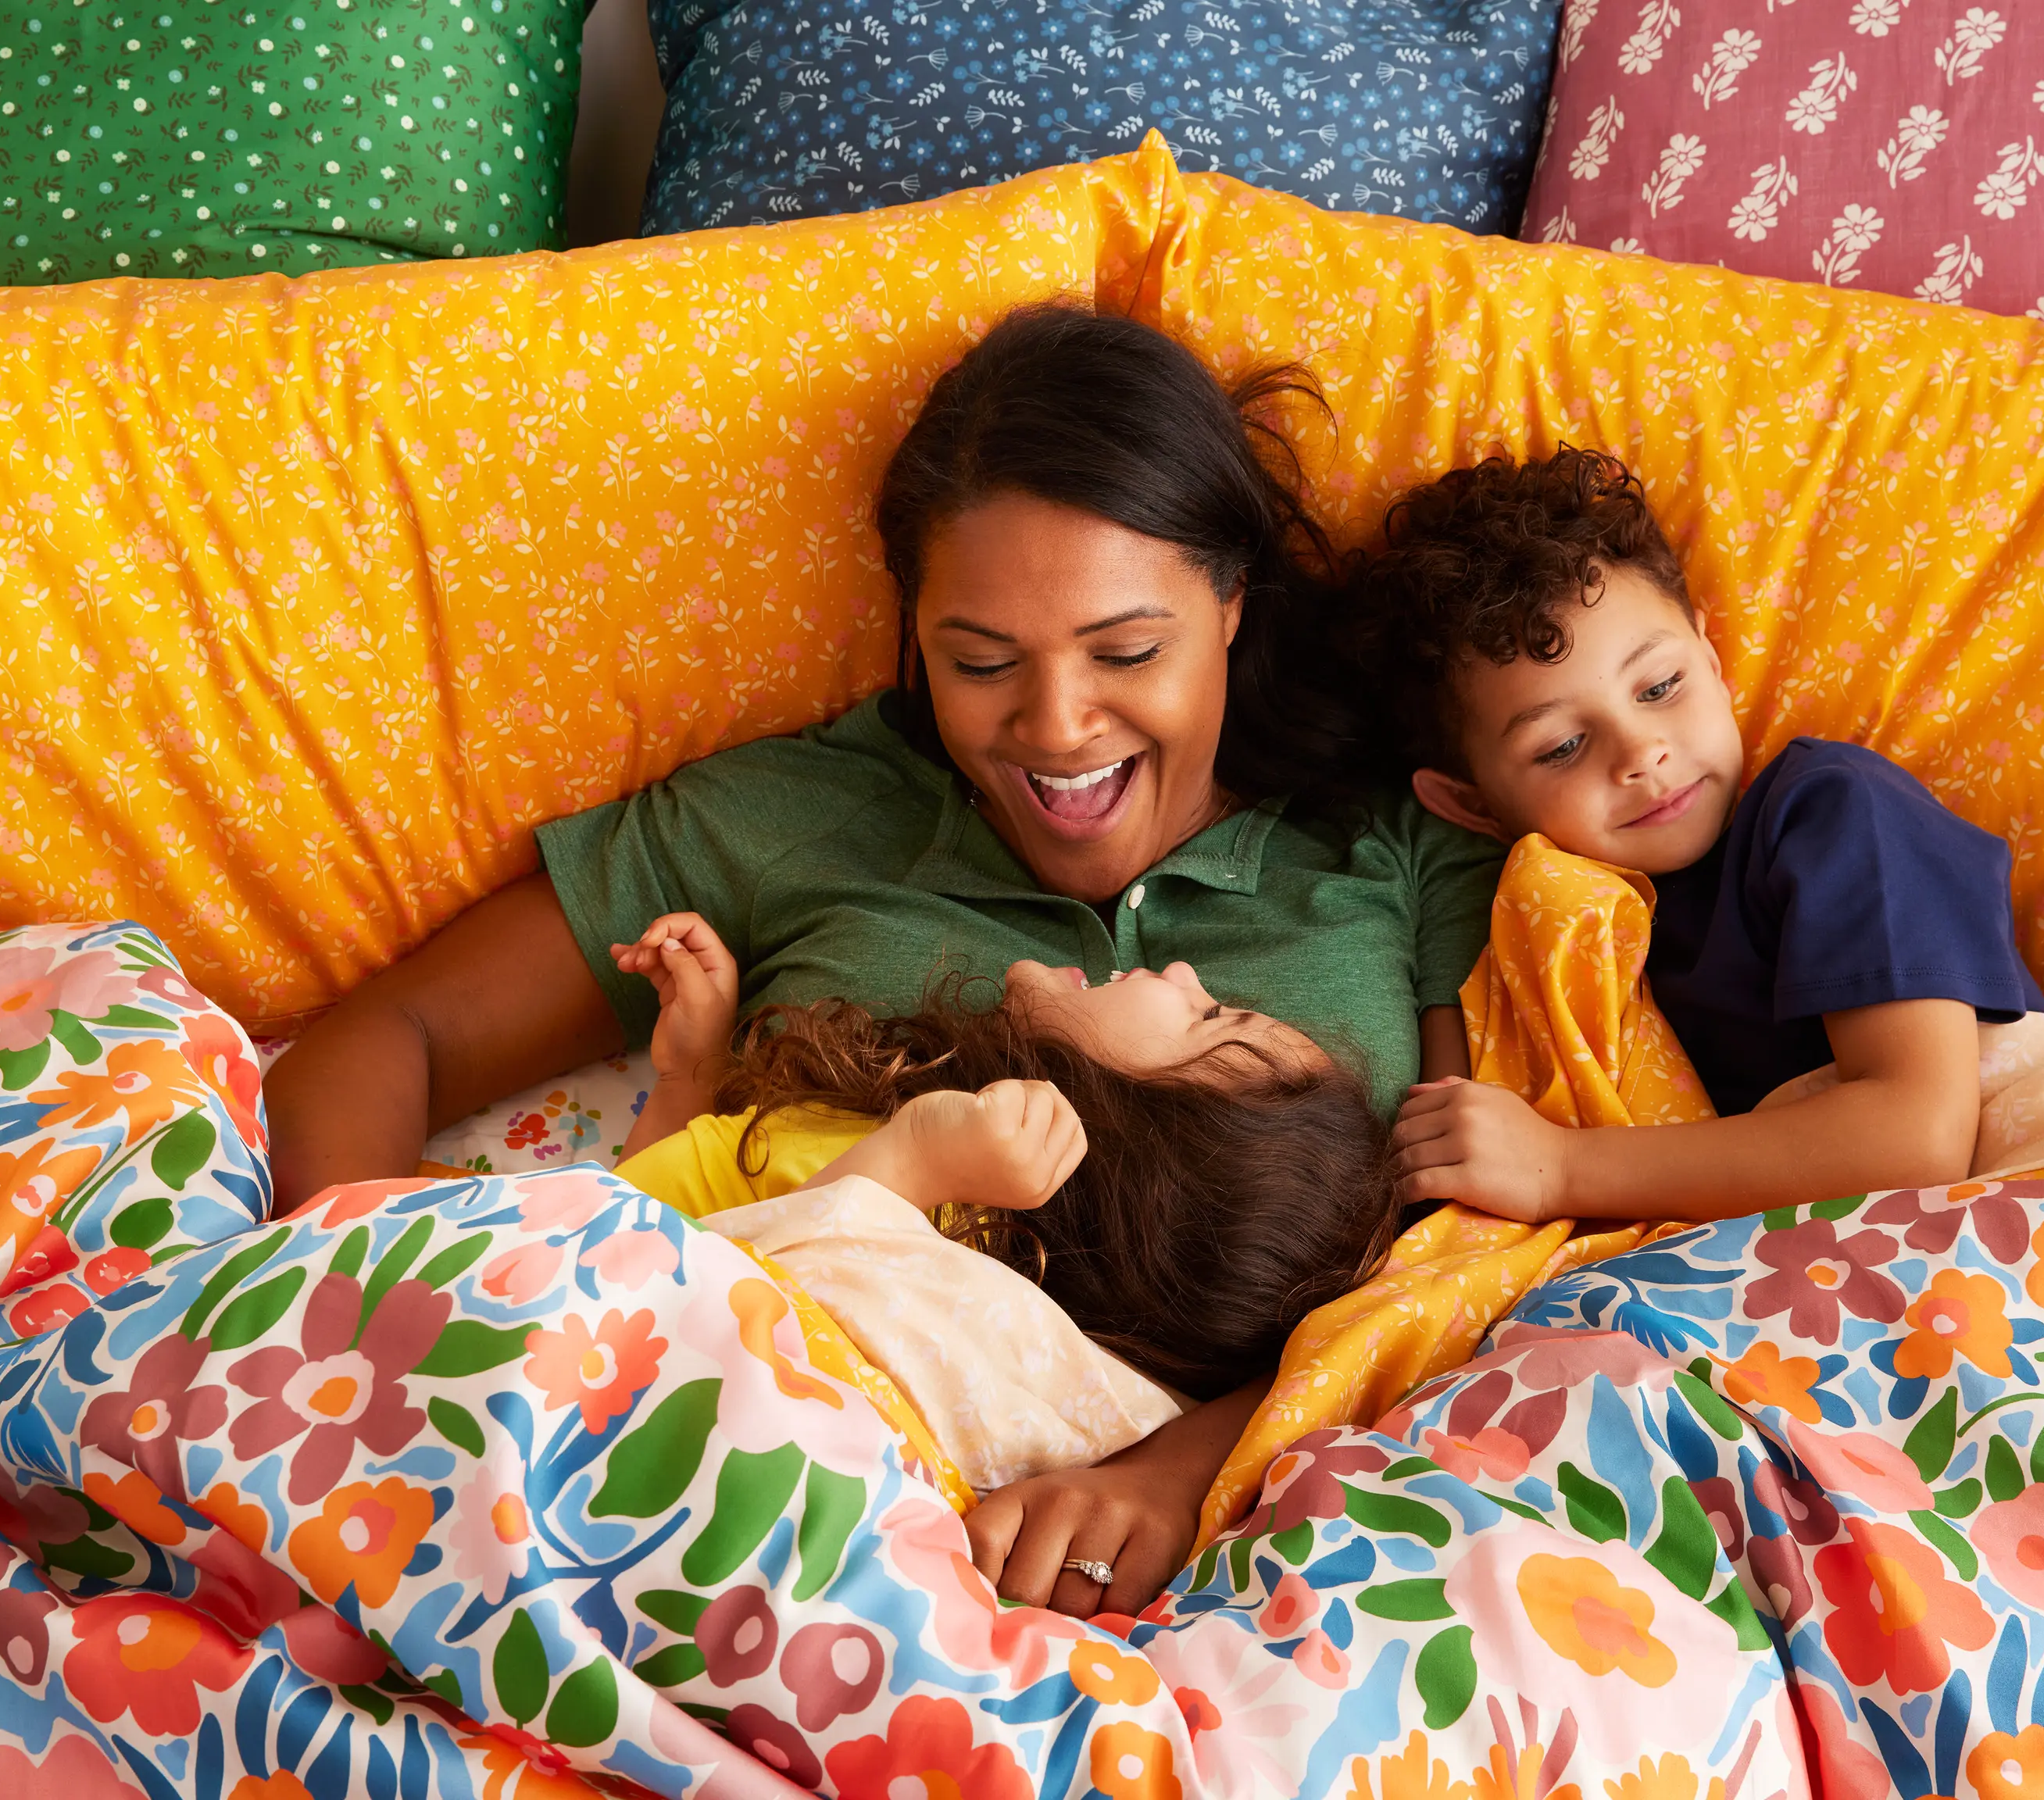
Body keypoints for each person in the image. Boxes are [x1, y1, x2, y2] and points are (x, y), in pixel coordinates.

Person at [264, 302, 1505, 1616]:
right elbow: (388, 1039)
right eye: (979, 661)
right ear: (913, 633)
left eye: (1127, 650)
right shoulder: (805, 818)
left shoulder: (1405, 838)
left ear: (1232, 602)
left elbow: (1484, 1245)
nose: (1056, 725)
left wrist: (1174, 1468)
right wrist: (385, 1362)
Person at [1361, 447, 2044, 1224]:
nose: (1641, 753)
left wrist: (1559, 1168)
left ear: (1711, 658)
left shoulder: (1832, 814)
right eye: (1560, 746)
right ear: (1470, 805)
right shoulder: (1560, 926)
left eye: (1660, 687)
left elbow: (1916, 1139)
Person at [606, 910, 1401, 1492]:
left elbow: (726, 1340)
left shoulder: (951, 1257)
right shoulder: (926, 1112)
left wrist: (909, 1166)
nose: (1186, 975)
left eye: (1209, 1016)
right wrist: (689, 1081)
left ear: (1149, 1143)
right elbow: (630, 1232)